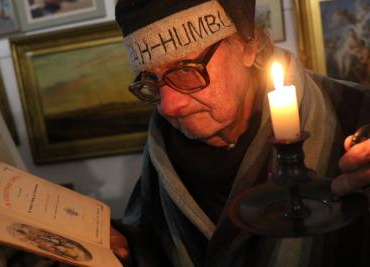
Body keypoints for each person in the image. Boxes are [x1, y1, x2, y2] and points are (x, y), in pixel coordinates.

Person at [110, 0, 370, 266]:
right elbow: (151, 241)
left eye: (186, 70)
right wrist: (117, 245)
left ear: (249, 44)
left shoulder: (357, 114)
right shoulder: (161, 148)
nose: (168, 106)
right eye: (151, 81)